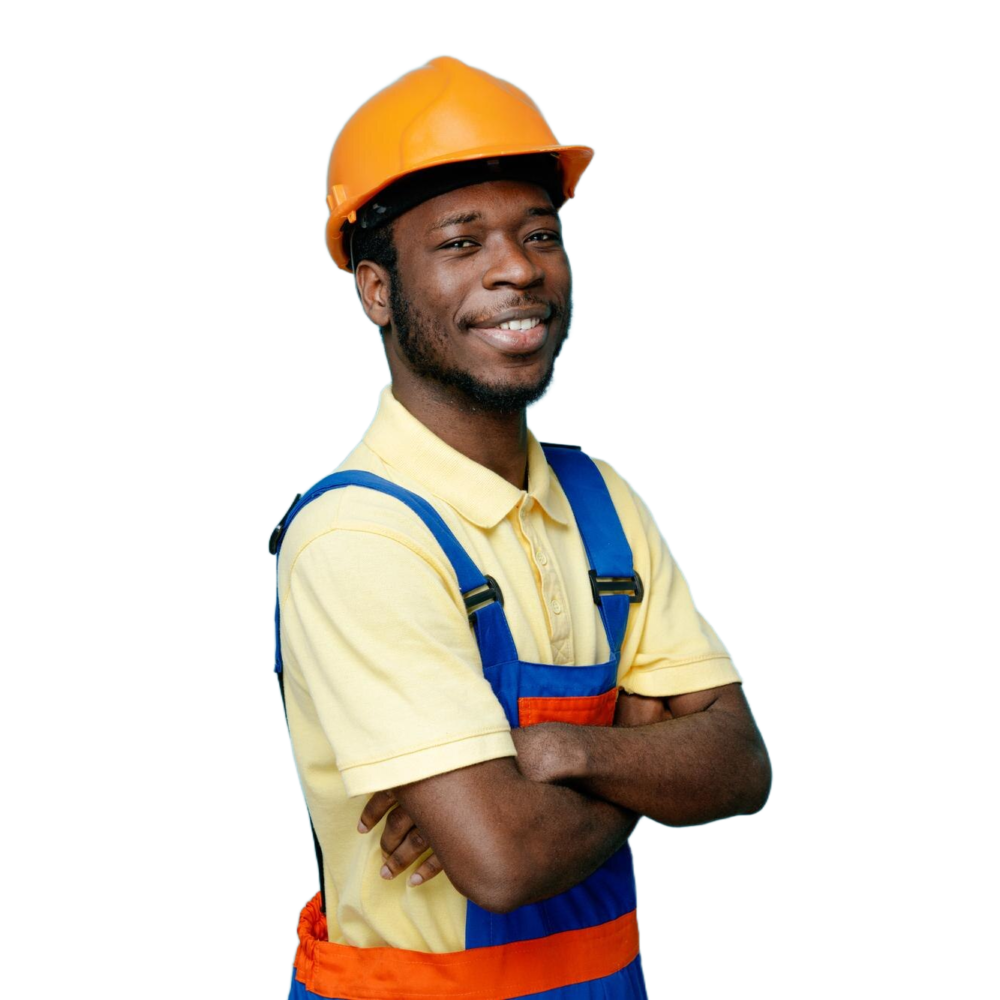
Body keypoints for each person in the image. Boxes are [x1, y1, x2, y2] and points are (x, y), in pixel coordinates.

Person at [271, 53, 772, 1000]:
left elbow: (741, 767)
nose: (517, 268)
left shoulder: (604, 498)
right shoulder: (360, 537)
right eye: (462, 242)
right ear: (376, 290)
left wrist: (560, 750)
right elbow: (500, 858)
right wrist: (644, 749)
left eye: (539, 233)